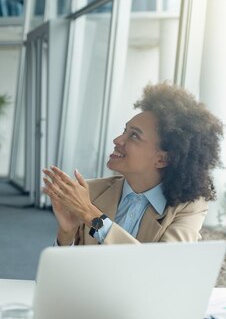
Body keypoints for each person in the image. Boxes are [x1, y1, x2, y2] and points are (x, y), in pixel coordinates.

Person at [42, 83, 223, 245]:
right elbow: (68, 272)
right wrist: (67, 233)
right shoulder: (90, 192)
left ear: (162, 159)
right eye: (124, 131)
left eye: (134, 135)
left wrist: (91, 215)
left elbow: (161, 268)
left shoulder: (188, 207)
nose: (117, 140)